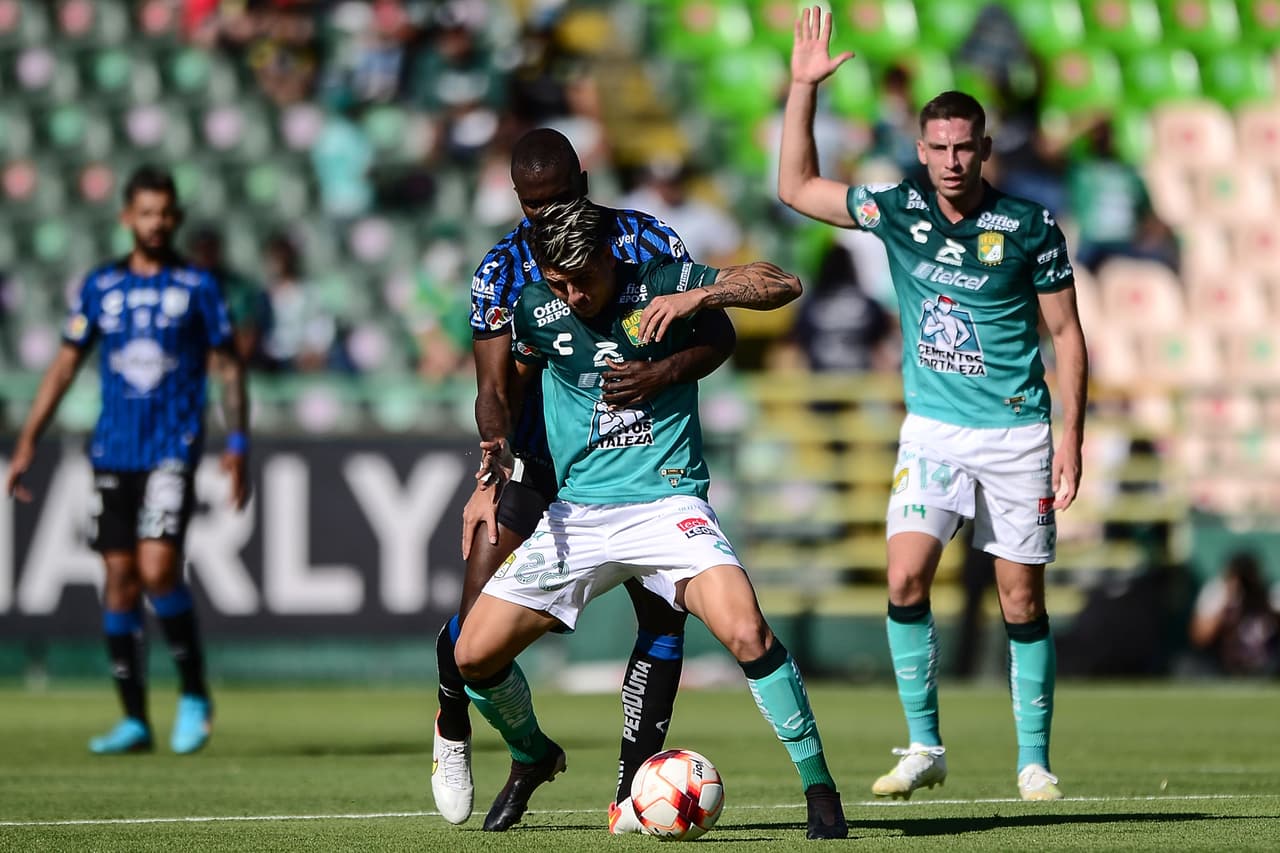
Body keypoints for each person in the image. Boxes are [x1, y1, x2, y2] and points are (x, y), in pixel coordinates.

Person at [453, 197, 848, 838]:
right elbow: (504, 389)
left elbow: (785, 284)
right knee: (470, 656)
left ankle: (820, 788)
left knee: (747, 632)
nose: (576, 296)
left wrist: (698, 304)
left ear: (610, 258)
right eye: (561, 284)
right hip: (578, 515)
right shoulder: (533, 307)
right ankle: (531, 752)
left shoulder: (661, 280)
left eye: (584, 279)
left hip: (668, 505)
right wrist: (493, 451)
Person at [778, 8, 1088, 802]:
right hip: (934, 432)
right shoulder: (900, 210)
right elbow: (796, 187)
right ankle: (924, 745)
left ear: (984, 149)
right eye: (938, 148)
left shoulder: (1028, 226)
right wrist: (802, 89)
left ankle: (1033, 759)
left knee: (1021, 597)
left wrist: (1070, 439)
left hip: (1018, 430)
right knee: (905, 578)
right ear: (921, 150)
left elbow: (1068, 336)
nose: (951, 161)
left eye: (964, 147)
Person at [432, 127, 738, 830]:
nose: (545, 216)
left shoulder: (647, 240)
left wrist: (663, 369)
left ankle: (632, 793)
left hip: (640, 462)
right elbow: (491, 387)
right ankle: (492, 737)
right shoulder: (499, 271)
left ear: (584, 178)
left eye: (559, 198)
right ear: (516, 199)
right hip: (542, 465)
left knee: (663, 618)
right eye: (532, 205)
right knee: (472, 626)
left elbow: (708, 333)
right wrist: (491, 458)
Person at [5, 165, 250, 754]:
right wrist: (28, 439)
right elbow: (64, 365)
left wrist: (238, 444)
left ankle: (194, 694)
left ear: (177, 217)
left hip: (172, 448)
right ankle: (135, 720)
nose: (157, 222)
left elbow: (227, 367)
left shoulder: (198, 286)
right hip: (113, 450)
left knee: (158, 569)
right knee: (117, 580)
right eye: (146, 212)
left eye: (166, 212)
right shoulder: (100, 287)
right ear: (127, 218)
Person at [1189, 551, 1280, 677]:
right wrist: (1227, 602)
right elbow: (1200, 638)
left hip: (1265, 665)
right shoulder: (1217, 592)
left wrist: (1263, 603)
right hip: (1222, 665)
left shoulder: (1270, 592)